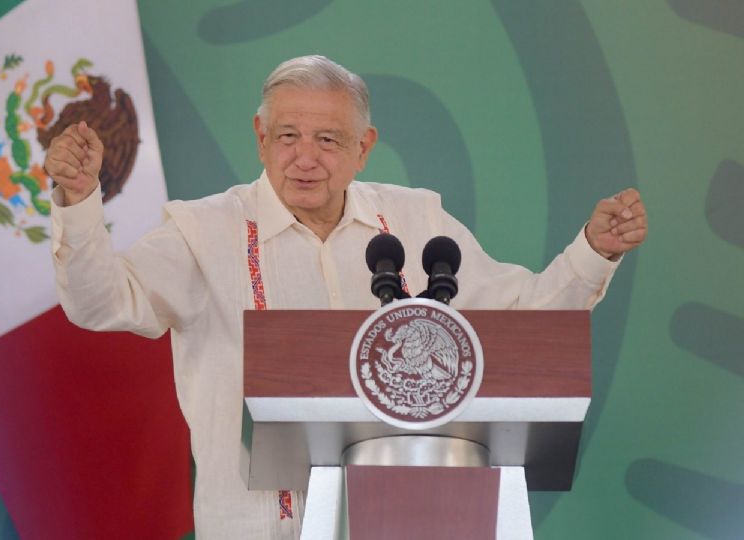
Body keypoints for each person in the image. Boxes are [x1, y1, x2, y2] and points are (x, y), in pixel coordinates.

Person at [44, 55, 647, 539]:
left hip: (413, 524)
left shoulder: (416, 221)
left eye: (329, 139)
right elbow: (101, 301)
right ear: (260, 137)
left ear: (364, 147)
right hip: (257, 528)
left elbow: (527, 319)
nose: (305, 158)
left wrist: (594, 250)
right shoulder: (203, 232)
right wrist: (77, 204)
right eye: (287, 136)